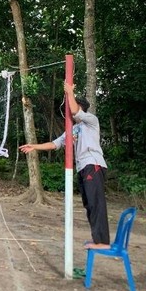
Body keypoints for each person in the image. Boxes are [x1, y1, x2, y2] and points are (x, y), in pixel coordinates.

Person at [20, 82, 110, 249]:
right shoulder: (72, 129)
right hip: (82, 167)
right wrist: (34, 146)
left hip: (93, 164)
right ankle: (98, 240)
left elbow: (75, 110)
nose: (69, 112)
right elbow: (55, 144)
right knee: (89, 203)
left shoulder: (91, 121)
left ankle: (103, 242)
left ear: (81, 108)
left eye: (72, 108)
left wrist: (70, 92)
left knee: (96, 202)